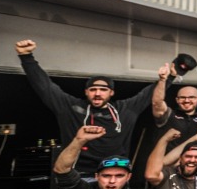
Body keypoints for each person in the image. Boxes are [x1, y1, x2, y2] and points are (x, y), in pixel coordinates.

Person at [16, 39, 173, 173]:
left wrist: (168, 78)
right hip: (79, 174)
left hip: (114, 174)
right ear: (86, 92)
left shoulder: (125, 109)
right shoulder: (70, 107)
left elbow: (149, 94)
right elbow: (45, 87)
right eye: (93, 89)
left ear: (111, 93)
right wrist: (26, 56)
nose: (97, 93)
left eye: (103, 90)